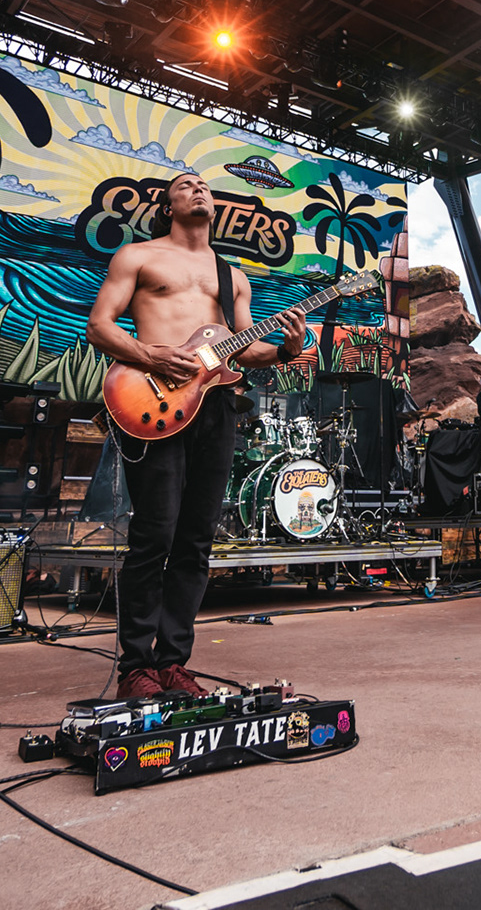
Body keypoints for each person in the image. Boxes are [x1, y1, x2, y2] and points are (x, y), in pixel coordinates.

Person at [87, 170, 308, 701]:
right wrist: (152, 355)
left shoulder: (232, 276)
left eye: (204, 186)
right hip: (153, 400)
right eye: (186, 185)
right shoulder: (139, 256)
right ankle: (135, 667)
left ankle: (173, 663)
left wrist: (285, 349)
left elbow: (242, 346)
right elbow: (101, 326)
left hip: (215, 407)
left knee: (195, 541)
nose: (199, 190)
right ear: (168, 206)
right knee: (153, 536)